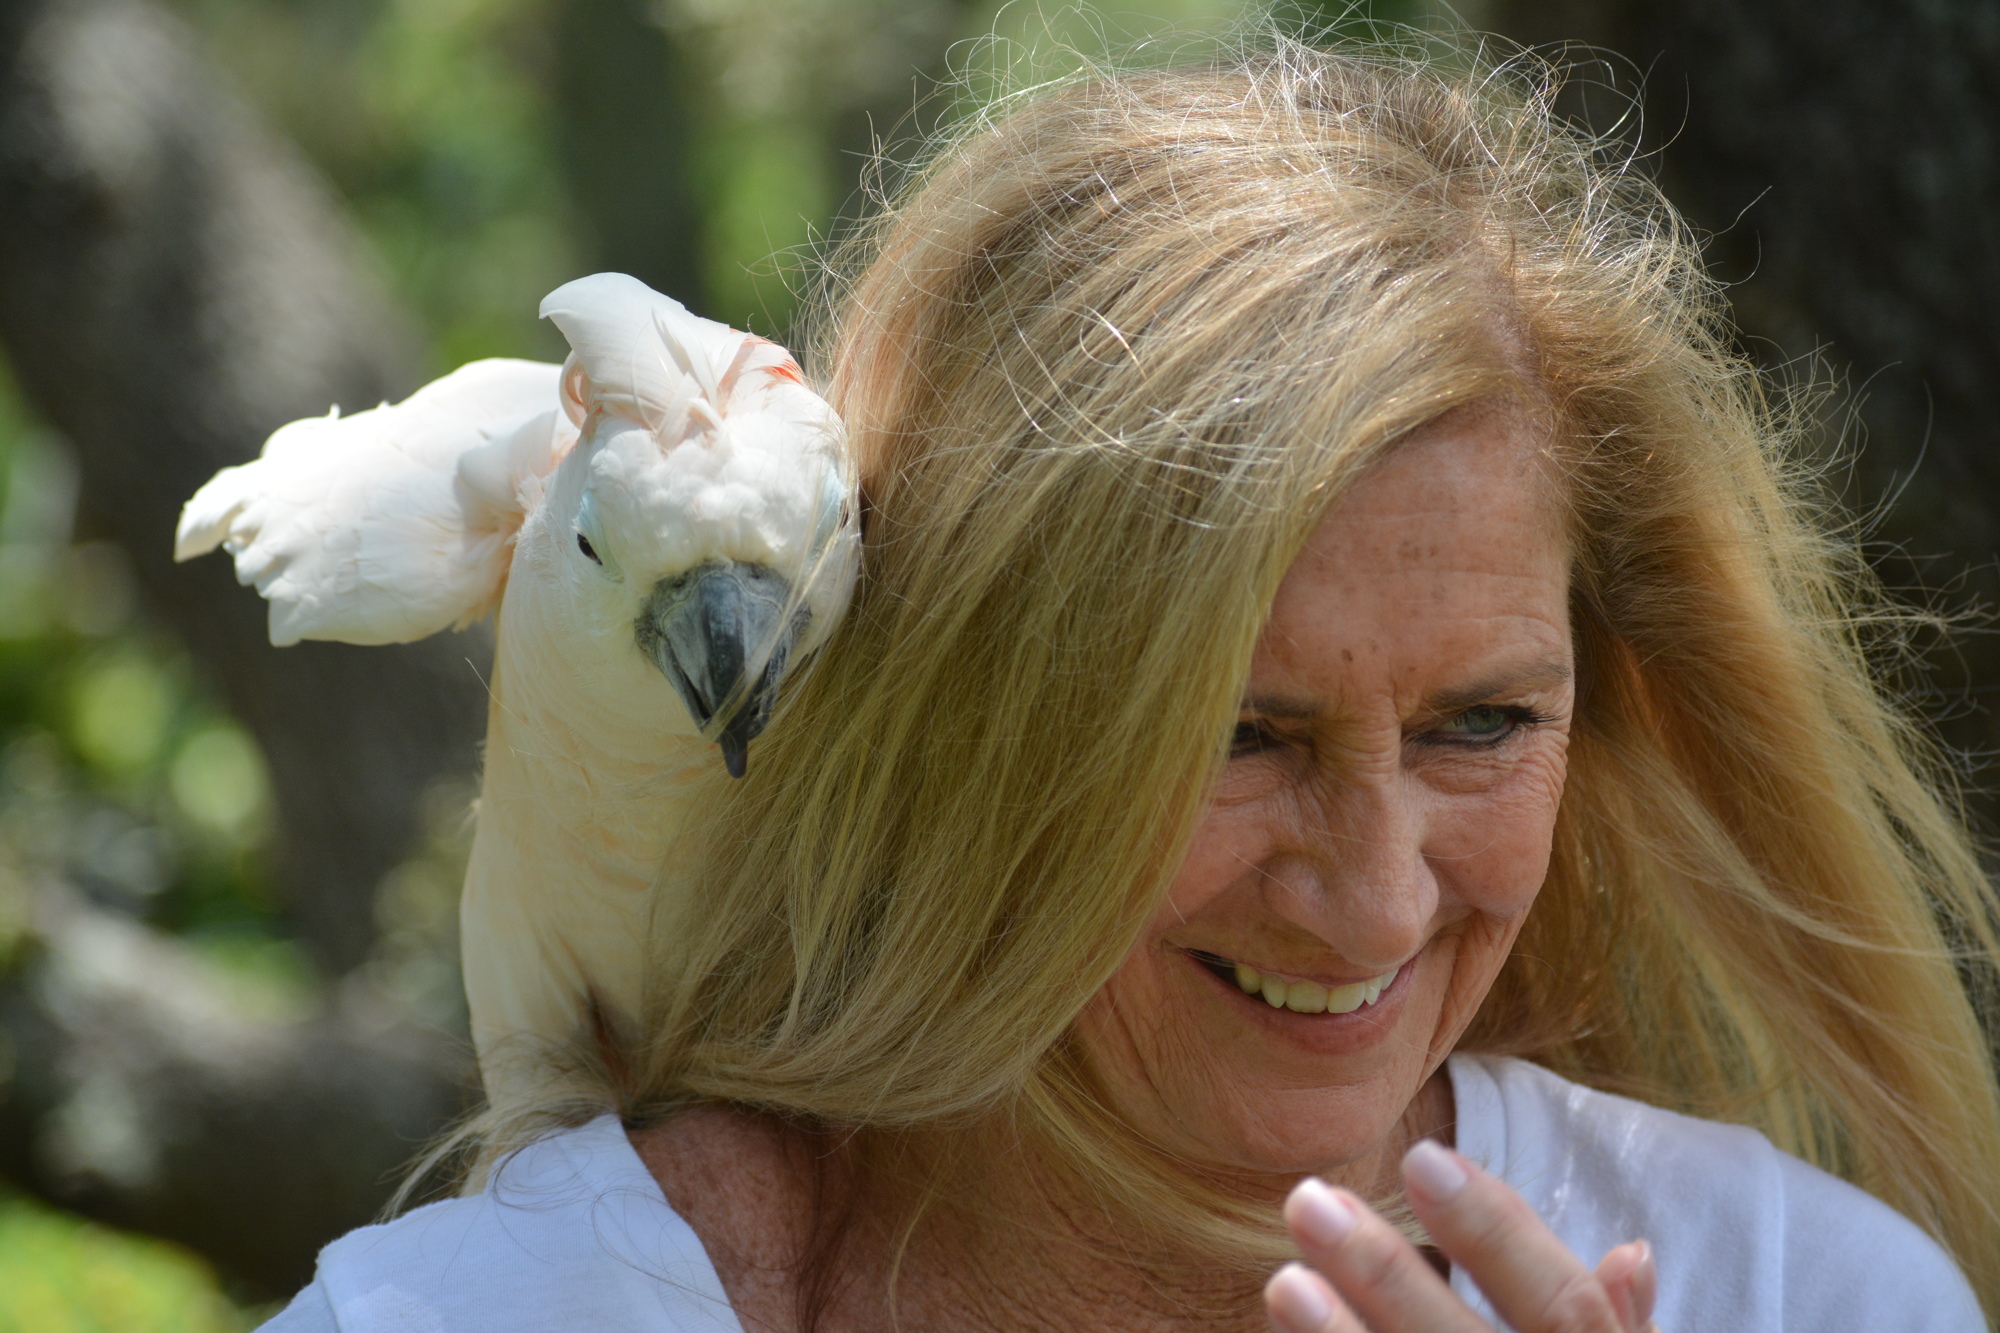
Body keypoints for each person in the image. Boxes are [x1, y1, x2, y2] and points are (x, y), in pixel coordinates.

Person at [261, 39, 2000, 1333]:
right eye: (1240, 731)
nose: (1378, 890)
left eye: (1482, 722)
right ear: (961, 703)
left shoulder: (1797, 1296)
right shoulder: (492, 1312)